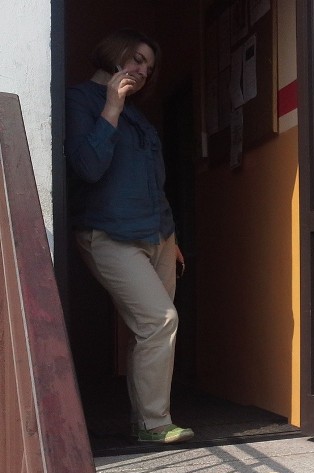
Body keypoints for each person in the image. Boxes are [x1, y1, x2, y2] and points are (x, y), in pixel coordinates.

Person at [66, 29, 193, 444]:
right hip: (108, 233)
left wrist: (169, 236)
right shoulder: (80, 100)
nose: (142, 70)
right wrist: (112, 106)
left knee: (150, 330)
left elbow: (154, 180)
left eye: (149, 67)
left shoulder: (141, 115)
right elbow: (87, 167)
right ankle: (156, 424)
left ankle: (146, 422)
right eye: (136, 59)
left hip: (157, 233)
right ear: (114, 53)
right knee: (160, 322)